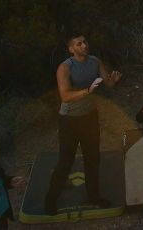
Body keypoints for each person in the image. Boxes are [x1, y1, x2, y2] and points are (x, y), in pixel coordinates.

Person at [43, 33, 122, 215]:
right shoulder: (65, 68)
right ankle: (50, 199)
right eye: (79, 44)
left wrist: (113, 81)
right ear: (71, 49)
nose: (84, 45)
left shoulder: (95, 61)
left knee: (93, 158)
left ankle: (93, 196)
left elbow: (108, 83)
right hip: (69, 119)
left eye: (85, 42)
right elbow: (65, 96)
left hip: (90, 116)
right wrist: (87, 91)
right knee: (66, 161)